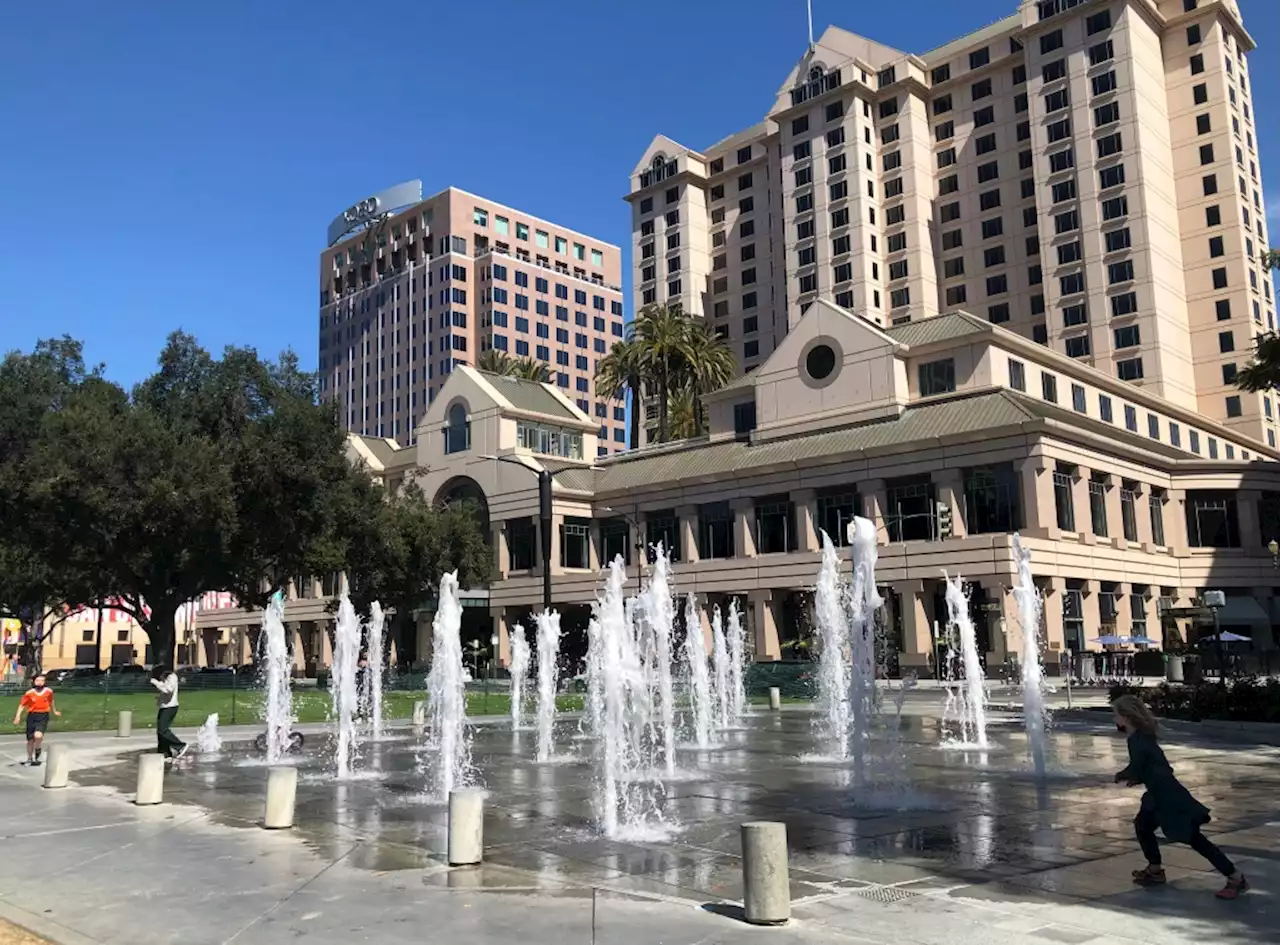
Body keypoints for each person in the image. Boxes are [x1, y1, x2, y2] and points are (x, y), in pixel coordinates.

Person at [1113, 693, 1248, 899]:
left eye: (1116, 715)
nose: (1115, 720)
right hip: (1159, 794)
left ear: (1125, 717)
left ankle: (1235, 877)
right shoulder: (1143, 736)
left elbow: (1138, 767)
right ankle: (1154, 870)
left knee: (1193, 838)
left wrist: (1122, 776)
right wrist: (1136, 778)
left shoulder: (1137, 739)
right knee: (1143, 825)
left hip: (1168, 796)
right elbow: (1154, 767)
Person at [13, 673, 60, 766]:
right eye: (38, 680)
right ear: (34, 681)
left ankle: (38, 748)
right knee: (30, 740)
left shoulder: (48, 691)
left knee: (38, 736)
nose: (40, 683)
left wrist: (54, 711)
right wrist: (17, 716)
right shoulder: (29, 693)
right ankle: (30, 758)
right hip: (32, 716)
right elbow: (22, 705)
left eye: (42, 680)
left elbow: (51, 701)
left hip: (43, 715)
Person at [149, 665, 188, 761]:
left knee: (163, 729)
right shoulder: (166, 678)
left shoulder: (172, 677)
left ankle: (180, 746)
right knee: (160, 731)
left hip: (170, 707)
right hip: (164, 706)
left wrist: (156, 683)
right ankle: (164, 753)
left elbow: (168, 690)